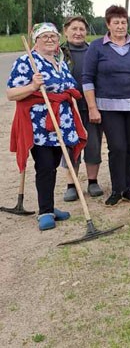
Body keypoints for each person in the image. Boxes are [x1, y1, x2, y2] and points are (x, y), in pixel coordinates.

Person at [7, 23, 86, 230]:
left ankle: (50, 206)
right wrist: (33, 86)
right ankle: (44, 212)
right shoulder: (27, 61)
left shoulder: (60, 61)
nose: (50, 39)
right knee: (44, 166)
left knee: (53, 165)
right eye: (45, 36)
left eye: (53, 36)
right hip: (40, 125)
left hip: (62, 122)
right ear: (36, 40)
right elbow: (11, 94)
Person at [82, 5, 130, 206]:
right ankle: (116, 189)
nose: (121, 26)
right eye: (116, 22)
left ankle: (128, 189)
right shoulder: (96, 47)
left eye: (123, 22)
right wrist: (92, 107)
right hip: (108, 106)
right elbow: (87, 78)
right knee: (118, 147)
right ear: (108, 24)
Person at [59, 16, 105, 201]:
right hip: (68, 107)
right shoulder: (59, 52)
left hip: (91, 105)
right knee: (71, 145)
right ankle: (72, 184)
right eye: (74, 29)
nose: (78, 33)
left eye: (81, 29)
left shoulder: (93, 50)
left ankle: (92, 181)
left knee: (93, 144)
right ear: (66, 31)